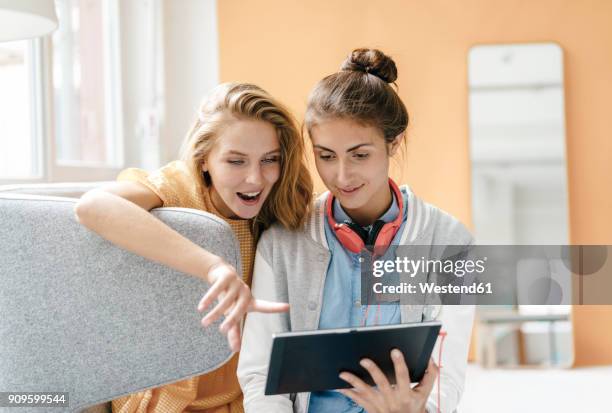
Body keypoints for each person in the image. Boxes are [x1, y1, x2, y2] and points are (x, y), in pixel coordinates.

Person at [237, 49, 475, 413]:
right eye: (326, 156)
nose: (341, 176)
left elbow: (447, 379)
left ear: (393, 143)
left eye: (359, 154)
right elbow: (259, 374)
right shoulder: (282, 242)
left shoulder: (452, 245)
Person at [74, 82, 313, 413]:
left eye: (269, 160)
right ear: (204, 161)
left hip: (244, 397)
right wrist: (212, 266)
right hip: (166, 398)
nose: (256, 179)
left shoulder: (281, 207)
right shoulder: (181, 191)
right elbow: (93, 206)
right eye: (236, 161)